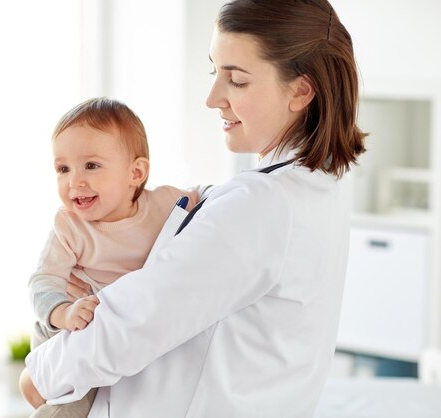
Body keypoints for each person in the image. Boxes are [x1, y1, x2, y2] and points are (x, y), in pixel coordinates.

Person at [22, 0, 367, 416]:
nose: (212, 98)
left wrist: (39, 374)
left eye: (236, 81)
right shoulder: (319, 184)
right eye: (214, 72)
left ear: (300, 90)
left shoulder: (262, 203)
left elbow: (136, 323)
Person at [25, 97, 202, 418]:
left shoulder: (165, 204)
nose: (74, 181)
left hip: (118, 329)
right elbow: (42, 282)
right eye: (62, 169)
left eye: (91, 165)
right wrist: (64, 313)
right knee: (68, 408)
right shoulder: (70, 226)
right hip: (67, 329)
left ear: (136, 172)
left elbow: (207, 204)